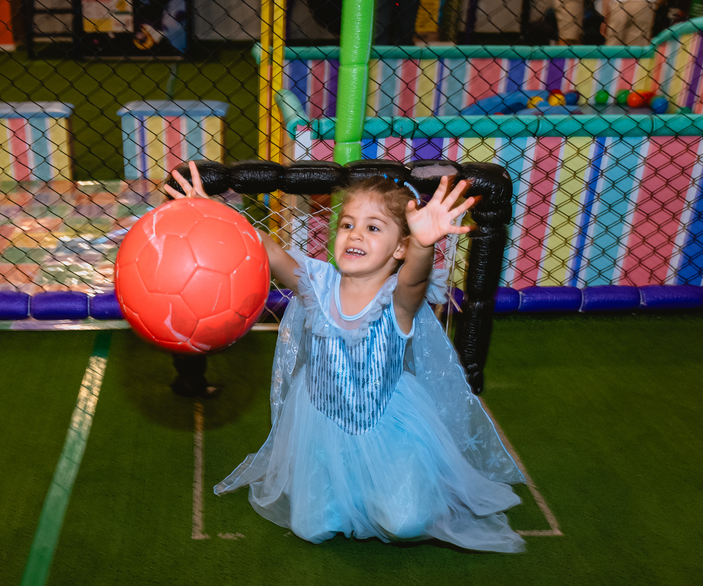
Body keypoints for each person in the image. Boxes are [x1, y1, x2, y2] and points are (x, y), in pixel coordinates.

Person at [167, 163, 526, 552]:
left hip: (385, 422)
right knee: (311, 527)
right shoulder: (316, 284)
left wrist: (424, 245)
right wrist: (212, 213)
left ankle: (401, 484)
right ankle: (346, 489)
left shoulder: (398, 299)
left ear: (400, 246)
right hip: (321, 419)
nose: (355, 234)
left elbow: (416, 279)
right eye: (347, 224)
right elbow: (265, 248)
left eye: (373, 227)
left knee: (405, 523)